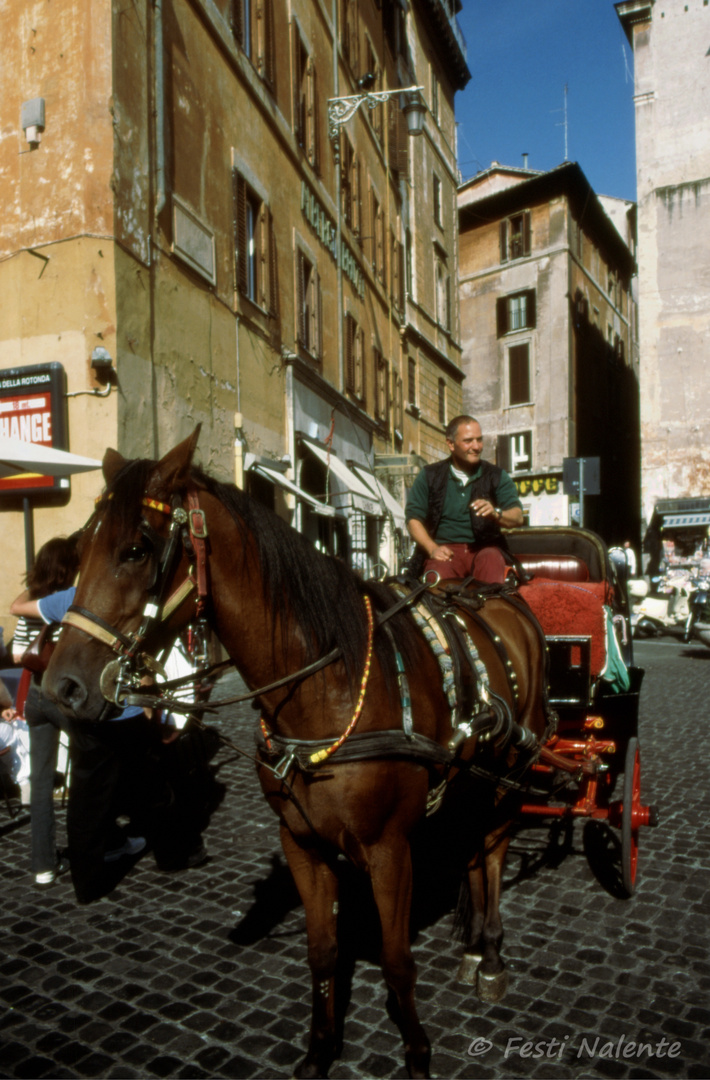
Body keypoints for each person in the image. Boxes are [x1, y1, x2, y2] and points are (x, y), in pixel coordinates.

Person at [10, 537, 81, 886]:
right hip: (64, 696)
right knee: (93, 768)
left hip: (34, 697)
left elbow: (21, 652)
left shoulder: (31, 607)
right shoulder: (71, 601)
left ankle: (43, 865)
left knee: (40, 783)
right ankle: (105, 844)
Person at [405, 415, 524, 582]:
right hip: (445, 552)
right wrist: (433, 549)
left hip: (485, 549)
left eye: (479, 440)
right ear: (451, 444)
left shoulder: (497, 476)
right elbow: (413, 520)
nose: (476, 447)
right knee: (437, 582)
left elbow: (518, 517)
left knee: (491, 562)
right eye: (468, 441)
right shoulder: (429, 475)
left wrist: (496, 514)